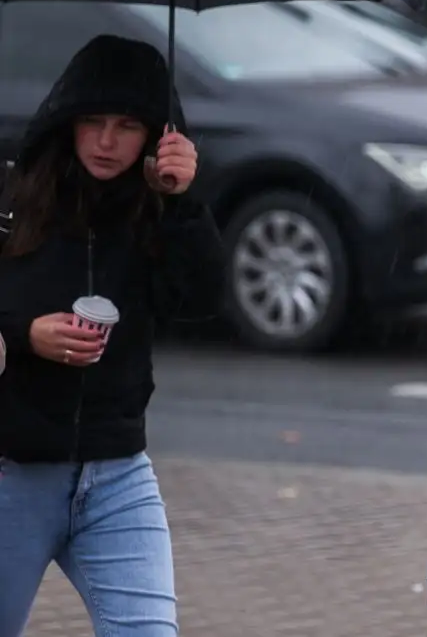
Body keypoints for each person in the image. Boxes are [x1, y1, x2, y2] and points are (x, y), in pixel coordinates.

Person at [0, 34, 225, 637]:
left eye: (126, 125)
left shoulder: (156, 211)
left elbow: (205, 303)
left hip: (117, 473)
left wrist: (182, 203)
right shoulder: (13, 200)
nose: (106, 141)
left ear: (155, 133)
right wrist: (25, 335)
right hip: (13, 470)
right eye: (93, 121)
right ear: (66, 121)